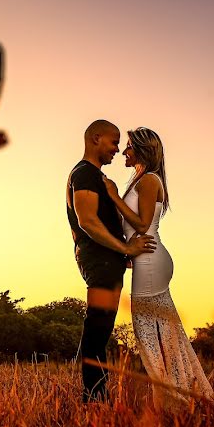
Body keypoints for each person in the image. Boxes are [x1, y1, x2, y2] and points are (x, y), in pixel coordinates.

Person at [103, 127, 214, 406]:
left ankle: (175, 402)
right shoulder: (140, 179)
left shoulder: (150, 180)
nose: (124, 152)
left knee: (149, 335)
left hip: (152, 260)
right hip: (145, 258)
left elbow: (142, 224)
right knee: (159, 334)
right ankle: (177, 398)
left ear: (142, 149)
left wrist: (113, 195)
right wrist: (127, 250)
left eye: (129, 146)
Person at [66, 120, 156, 403]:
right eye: (113, 142)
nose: (117, 149)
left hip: (107, 262)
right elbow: (88, 221)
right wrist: (125, 249)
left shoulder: (94, 176)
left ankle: (96, 396)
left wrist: (121, 254)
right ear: (95, 138)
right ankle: (94, 398)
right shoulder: (84, 174)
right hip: (101, 263)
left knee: (100, 330)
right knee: (97, 329)